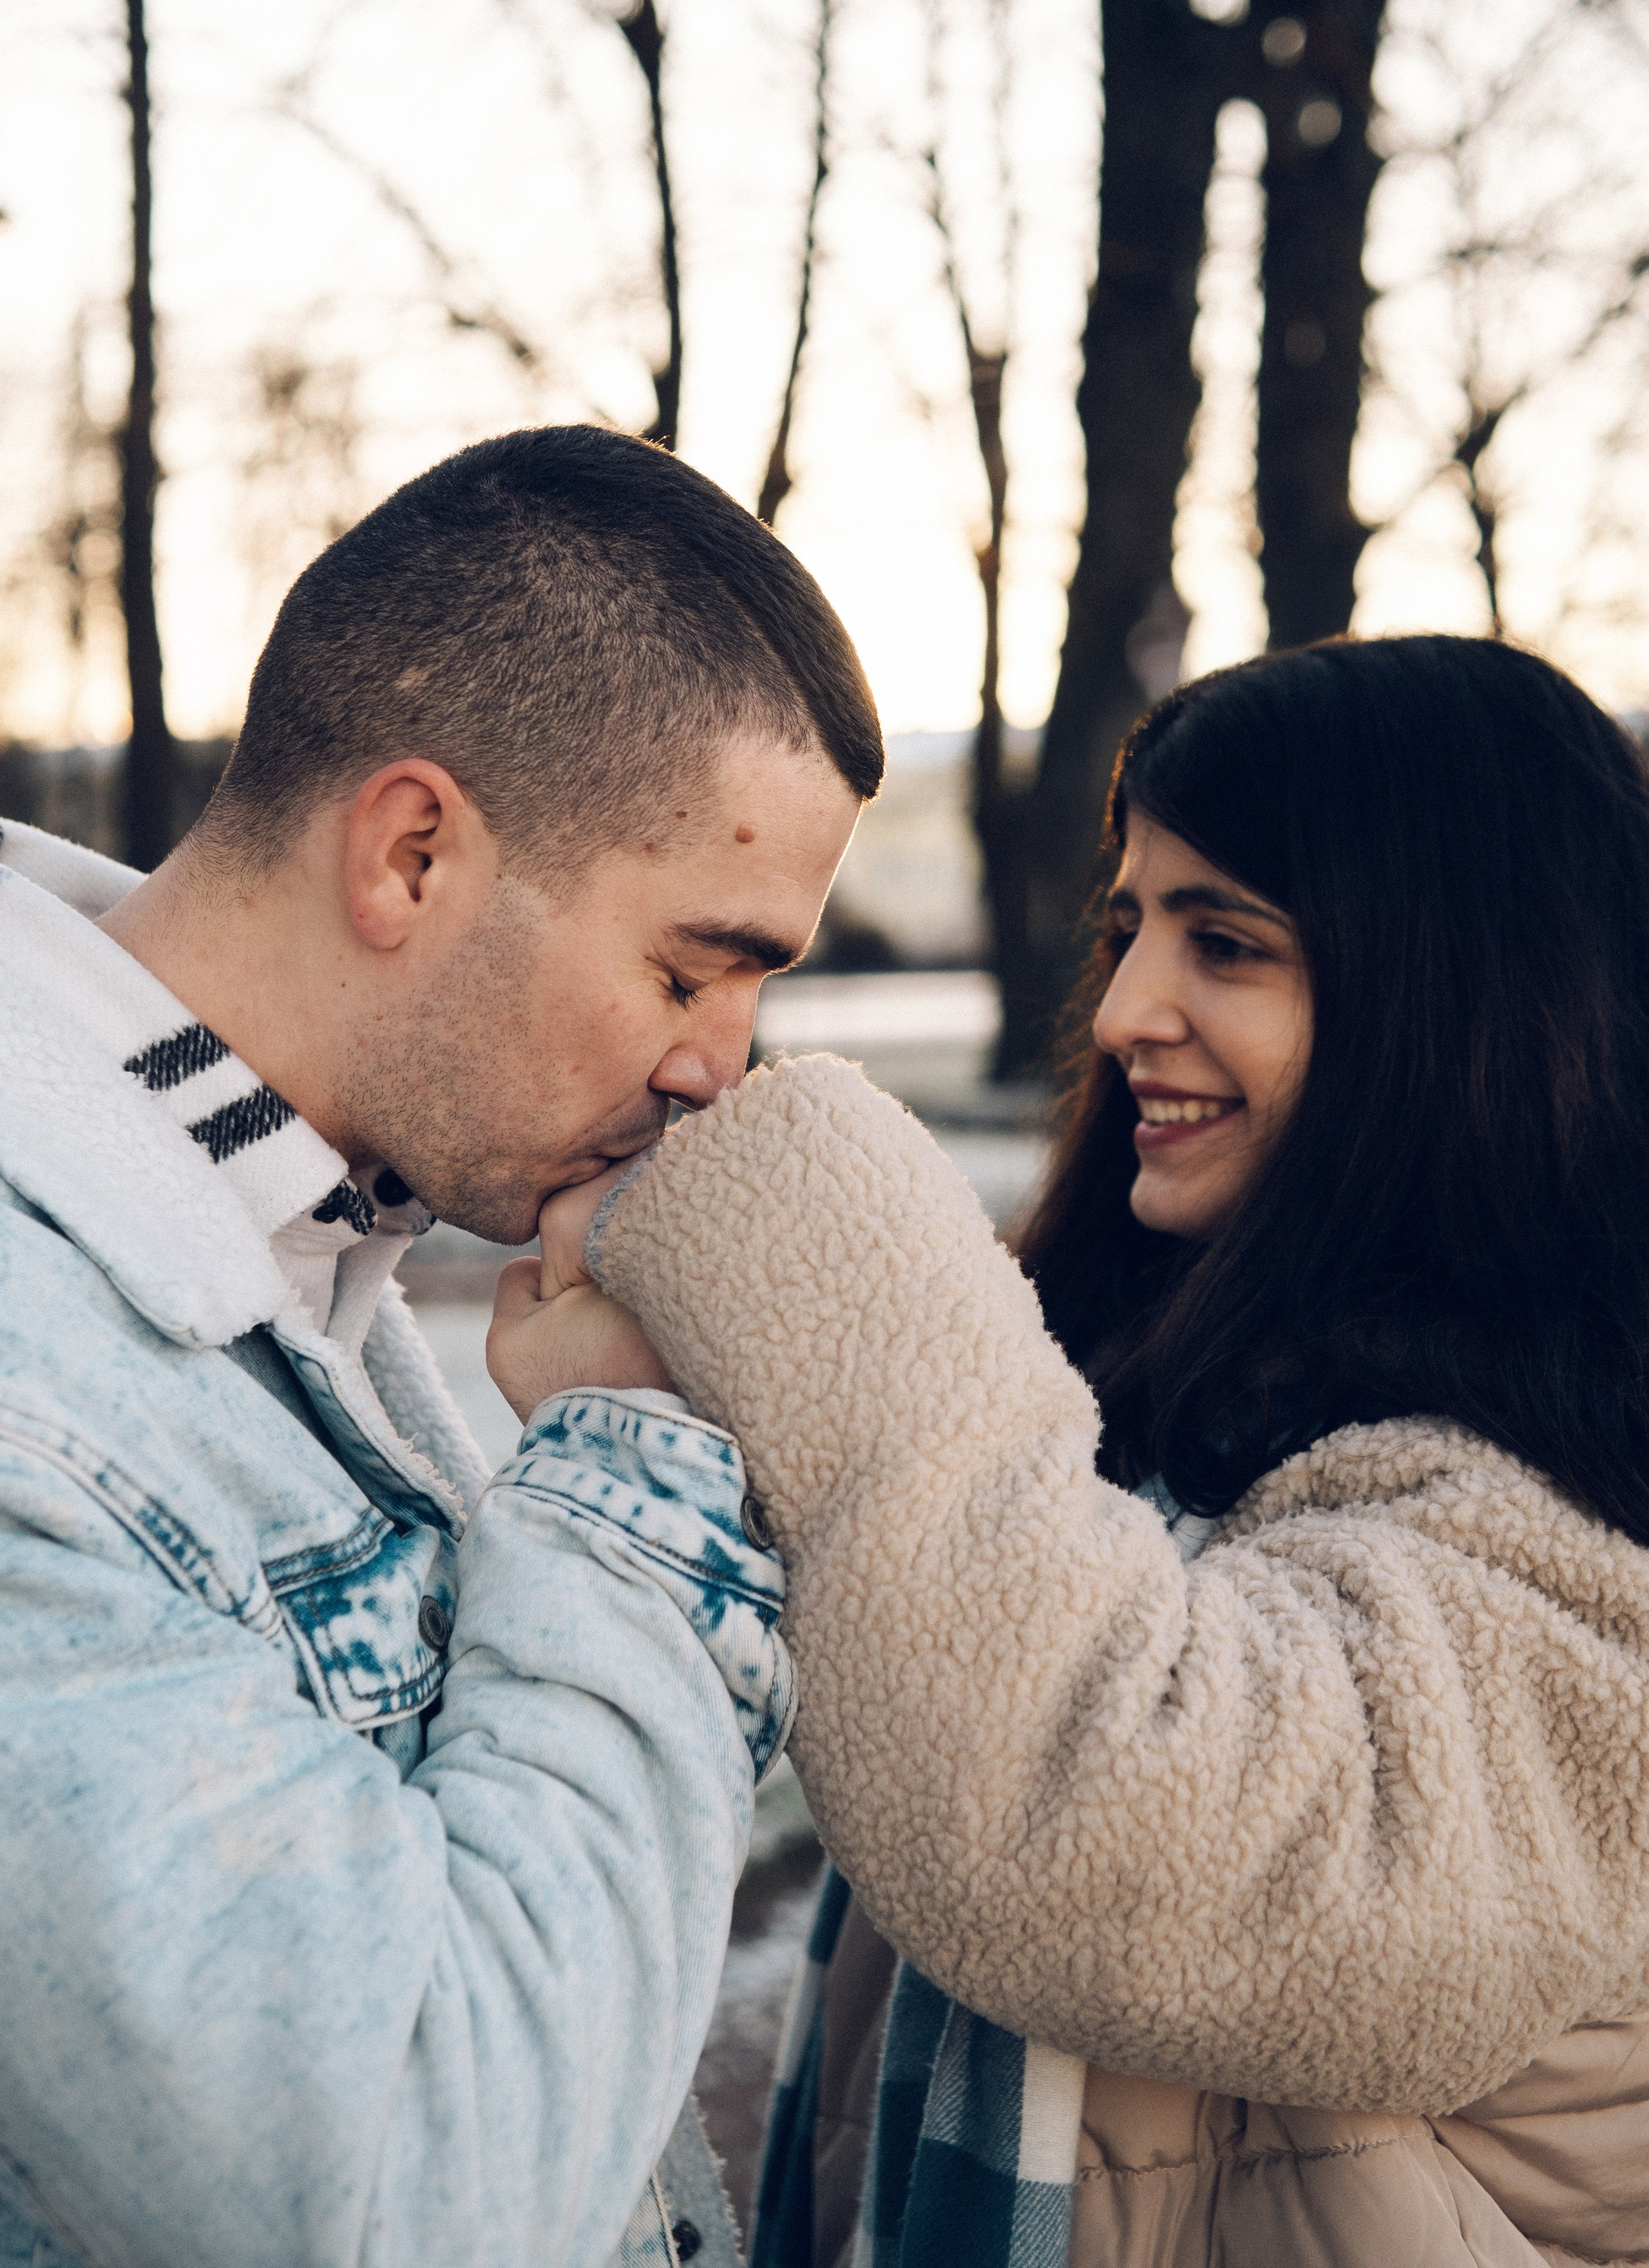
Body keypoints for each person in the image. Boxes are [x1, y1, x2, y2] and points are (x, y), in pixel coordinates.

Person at [511, 636, 1649, 2267]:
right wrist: (681, 1414)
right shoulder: (1196, 1421)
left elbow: (1094, 1818)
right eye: (1125, 932)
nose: (1122, 1013)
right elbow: (961, 1613)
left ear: (1455, 996)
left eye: (1224, 944)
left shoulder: (1576, 1531)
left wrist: (787, 1222)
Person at [0, 423, 882, 2268]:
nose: (717, 1068)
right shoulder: (35, 1383)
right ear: (411, 855)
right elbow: (417, 2189)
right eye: (687, 971)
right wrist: (629, 1478)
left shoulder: (282, 1242)